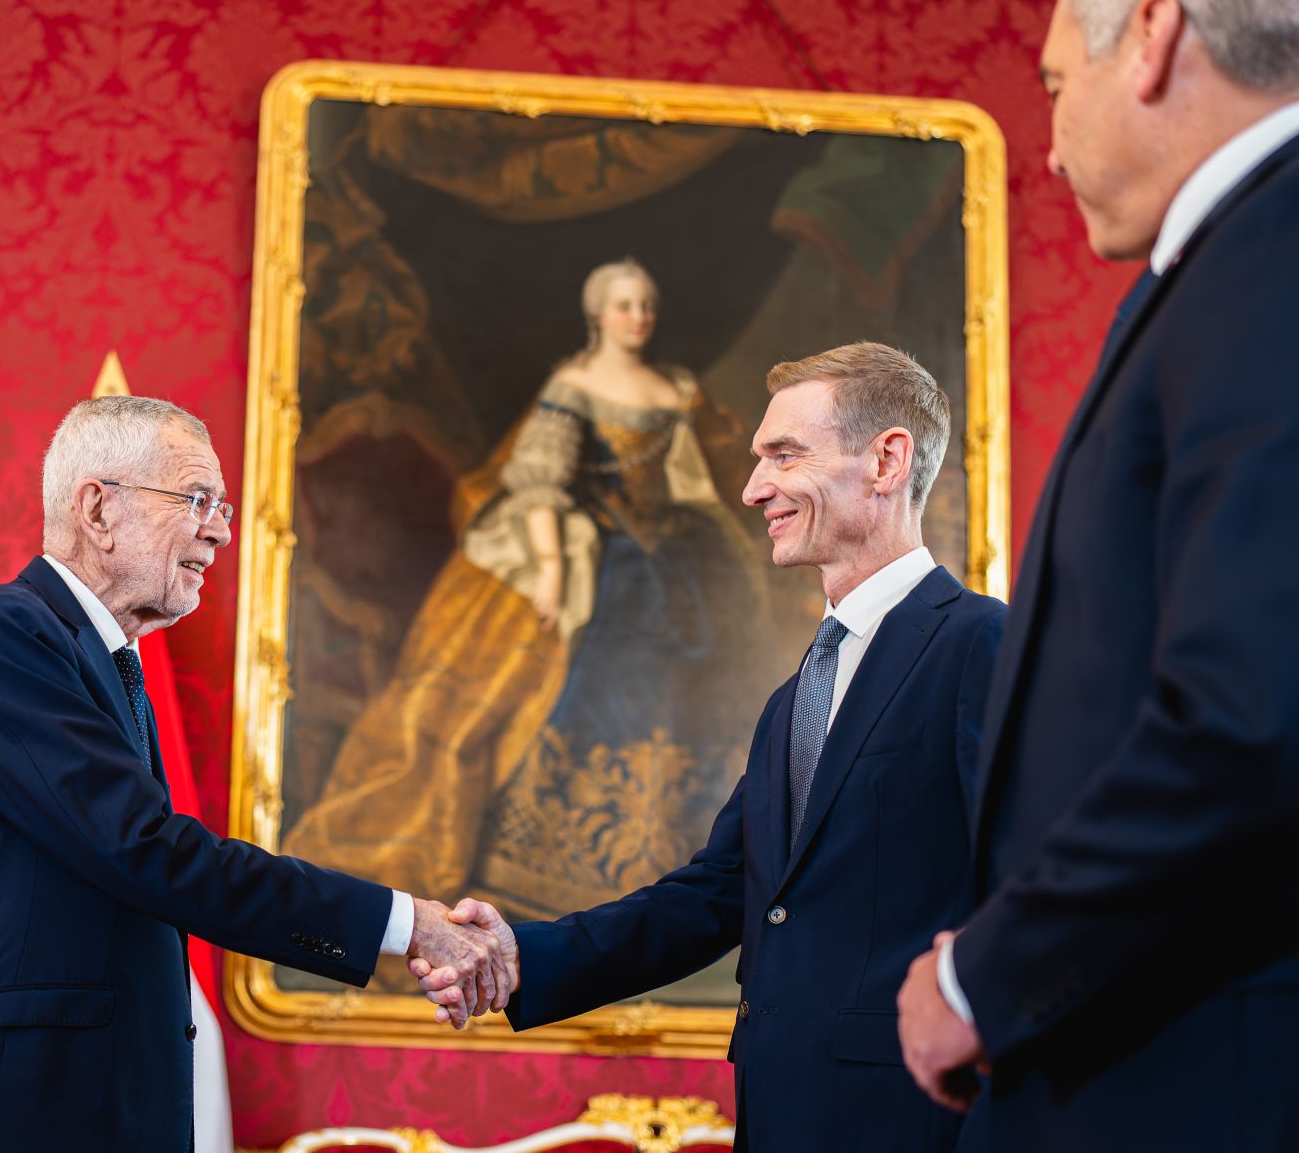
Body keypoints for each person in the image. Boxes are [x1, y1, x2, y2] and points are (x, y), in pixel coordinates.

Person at [895, 0, 1299, 1149]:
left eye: (1049, 85)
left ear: (1152, 34)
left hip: (1223, 1087)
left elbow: (1261, 723)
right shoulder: (1266, 250)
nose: (1046, 143)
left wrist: (985, 976)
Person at [0, 396, 510, 1153]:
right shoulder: (3, 633)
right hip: (11, 1111)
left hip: (100, 1108)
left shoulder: (112, 665)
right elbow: (147, 849)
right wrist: (405, 923)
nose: (221, 529)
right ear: (97, 509)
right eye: (196, 500)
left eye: (226, 507)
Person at [418, 343, 1005, 1153]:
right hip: (775, 1117)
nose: (752, 487)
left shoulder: (985, 645)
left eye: (783, 455)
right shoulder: (796, 693)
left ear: (887, 461)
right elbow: (716, 894)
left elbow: (1035, 885)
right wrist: (522, 956)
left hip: (918, 1123)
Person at [286, 258, 772, 924]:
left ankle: (669, 856)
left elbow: (692, 480)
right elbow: (539, 481)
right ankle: (556, 863)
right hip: (602, 558)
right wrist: (550, 568)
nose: (638, 318)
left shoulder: (674, 389)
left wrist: (729, 546)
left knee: (688, 683)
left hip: (677, 560)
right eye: (625, 305)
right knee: (592, 678)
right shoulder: (573, 386)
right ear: (598, 313)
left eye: (646, 307)